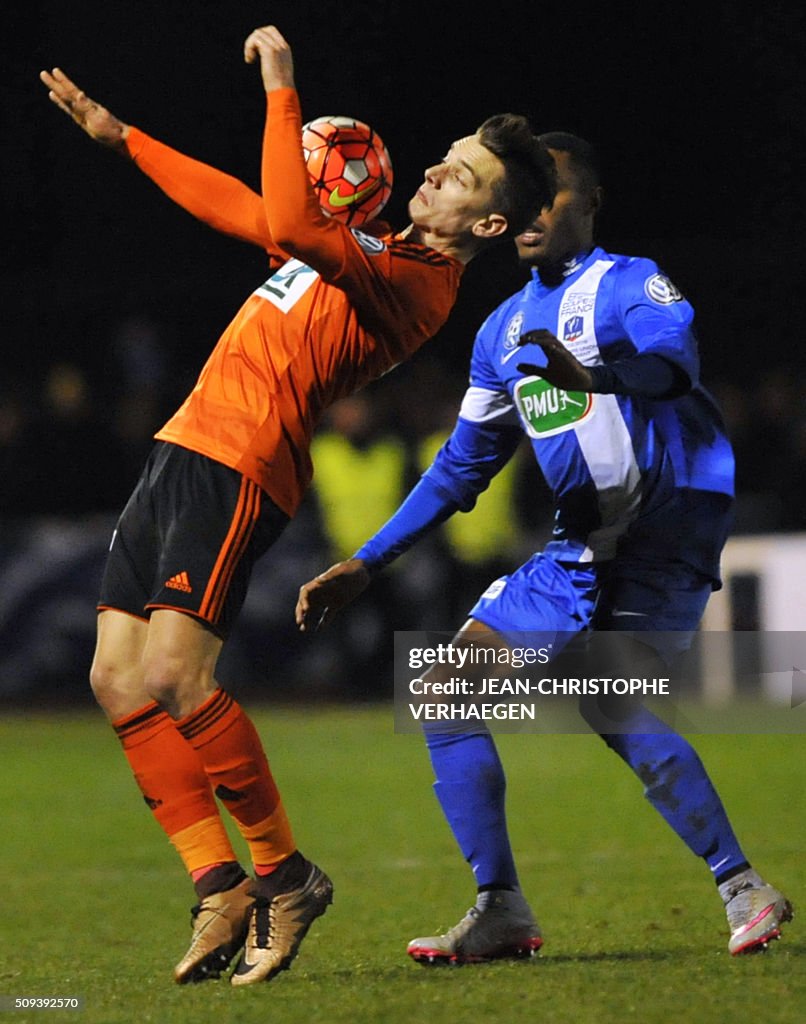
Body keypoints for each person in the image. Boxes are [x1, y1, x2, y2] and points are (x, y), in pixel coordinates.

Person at [39, 26, 556, 987]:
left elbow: (289, 221)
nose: (440, 171)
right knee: (118, 679)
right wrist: (126, 140)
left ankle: (286, 877)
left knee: (180, 678)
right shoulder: (377, 240)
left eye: (465, 177)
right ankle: (220, 884)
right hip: (183, 446)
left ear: (490, 226)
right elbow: (249, 211)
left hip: (241, 465)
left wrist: (282, 89)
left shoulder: (419, 279)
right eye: (448, 159)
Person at [296, 132, 794, 962]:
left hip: (660, 536)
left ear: (587, 205)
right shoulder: (502, 330)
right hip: (575, 551)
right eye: (518, 197)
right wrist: (369, 559)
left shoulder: (632, 283)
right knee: (447, 690)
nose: (529, 211)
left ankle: (742, 885)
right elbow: (461, 467)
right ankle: (500, 907)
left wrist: (593, 376)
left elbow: (674, 364)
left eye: (548, 195)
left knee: (610, 697)